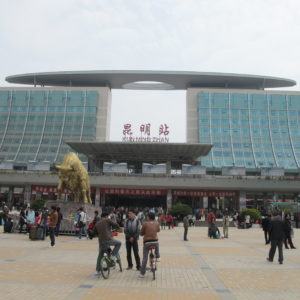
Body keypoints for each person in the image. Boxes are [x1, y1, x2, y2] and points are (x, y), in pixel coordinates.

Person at [139, 212, 160, 278]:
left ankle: (142, 273)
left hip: (147, 242)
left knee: (145, 258)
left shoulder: (145, 223)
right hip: (155, 242)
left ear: (148, 217)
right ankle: (158, 257)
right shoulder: (157, 223)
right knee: (156, 246)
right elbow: (158, 230)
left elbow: (141, 233)